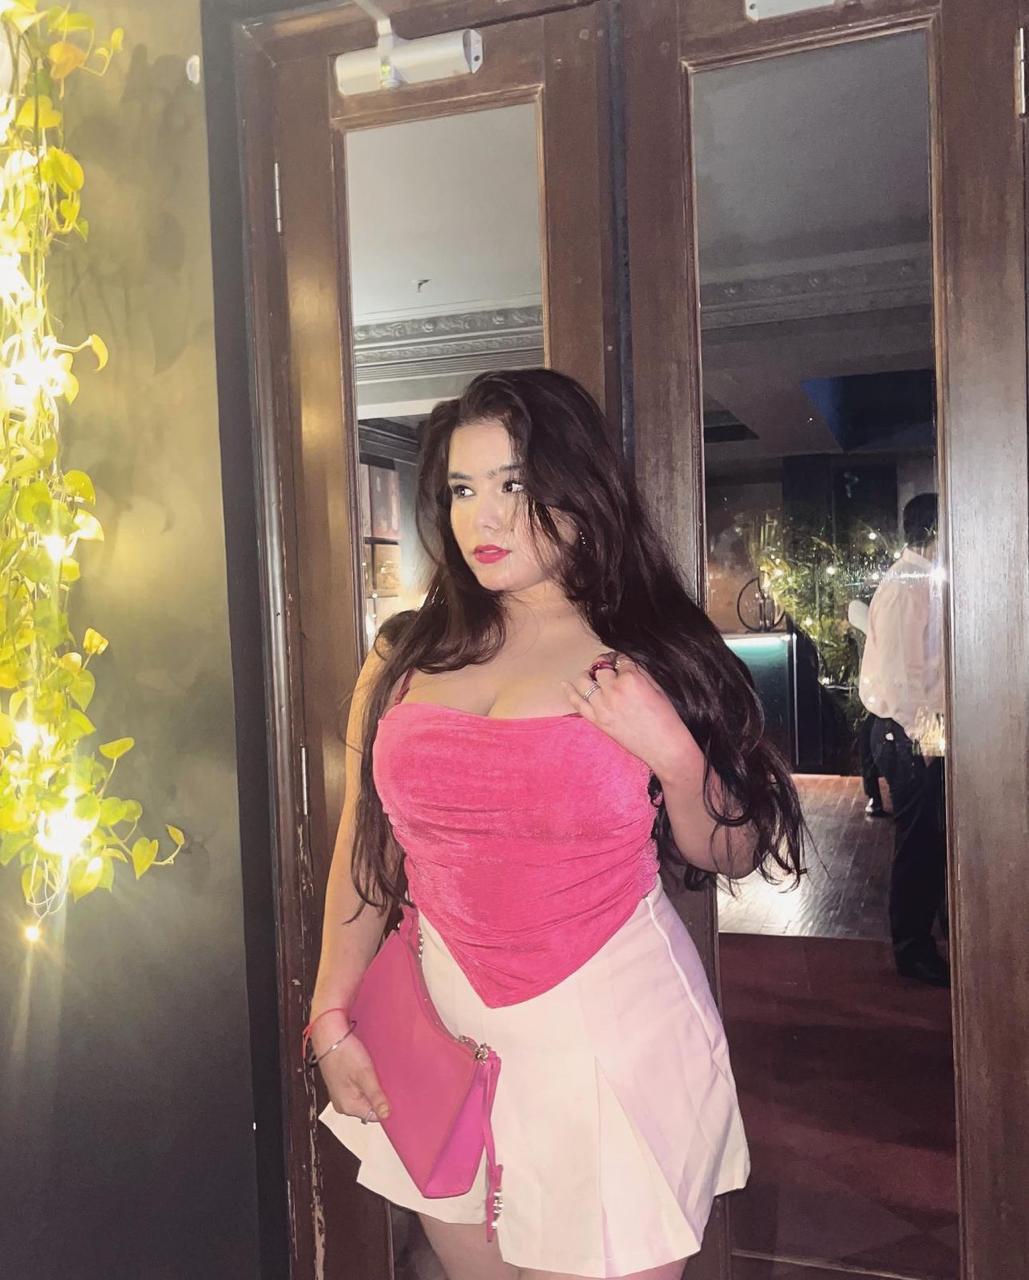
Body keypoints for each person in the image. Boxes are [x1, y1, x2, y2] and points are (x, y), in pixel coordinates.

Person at [307, 369, 805, 1280]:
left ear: (580, 491)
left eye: (515, 485)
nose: (484, 518)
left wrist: (676, 757)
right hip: (446, 1035)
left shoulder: (648, 654)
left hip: (610, 1038)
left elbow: (731, 850)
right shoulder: (405, 653)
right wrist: (329, 1014)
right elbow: (366, 845)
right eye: (462, 489)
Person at [859, 493, 948, 987]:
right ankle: (913, 951)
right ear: (935, 529)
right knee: (919, 844)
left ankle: (929, 939)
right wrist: (929, 742)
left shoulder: (920, 581)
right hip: (907, 732)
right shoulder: (905, 586)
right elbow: (901, 682)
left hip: (918, 731)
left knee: (930, 840)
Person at [847, 599, 887, 817]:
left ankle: (876, 798)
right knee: (869, 746)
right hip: (876, 698)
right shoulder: (872, 629)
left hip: (878, 698)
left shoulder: (870, 629)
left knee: (869, 747)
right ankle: (876, 798)